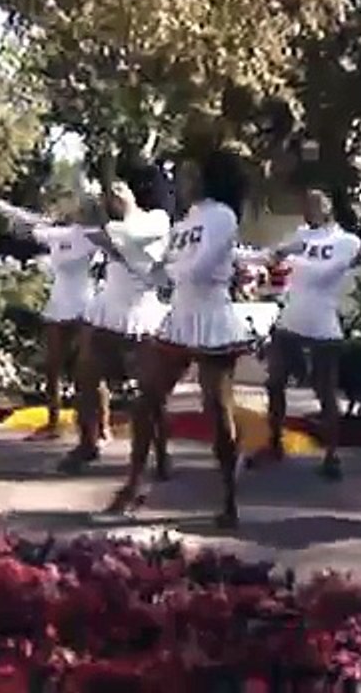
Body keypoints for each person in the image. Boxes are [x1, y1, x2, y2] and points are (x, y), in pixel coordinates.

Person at [106, 149, 254, 529]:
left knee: (216, 409)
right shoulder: (182, 222)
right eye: (180, 176)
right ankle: (134, 483)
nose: (181, 183)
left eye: (189, 175)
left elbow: (199, 268)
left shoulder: (222, 216)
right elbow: (161, 272)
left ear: (207, 179)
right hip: (180, 317)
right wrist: (133, 259)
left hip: (212, 318)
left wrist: (168, 269)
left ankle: (230, 497)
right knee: (147, 398)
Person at [58, 166, 172, 475]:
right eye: (112, 191)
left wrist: (110, 222)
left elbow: (127, 236)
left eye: (122, 188)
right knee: (86, 375)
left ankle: (161, 456)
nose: (115, 194)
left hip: (143, 315)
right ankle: (88, 443)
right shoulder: (112, 225)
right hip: (107, 310)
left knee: (151, 392)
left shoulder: (157, 220)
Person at [252, 186, 361, 479]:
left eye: (318, 202)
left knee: (324, 390)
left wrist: (291, 257)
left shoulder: (347, 241)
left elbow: (324, 274)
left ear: (330, 206)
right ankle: (274, 442)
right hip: (291, 319)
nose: (311, 208)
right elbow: (270, 256)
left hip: (323, 324)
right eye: (307, 202)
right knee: (274, 382)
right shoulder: (299, 236)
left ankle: (332, 455)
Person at [0, 196, 104, 441]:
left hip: (85, 307)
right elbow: (26, 221)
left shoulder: (94, 236)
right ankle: (53, 423)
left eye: (82, 209)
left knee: (89, 370)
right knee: (52, 368)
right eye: (76, 208)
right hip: (58, 306)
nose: (76, 211)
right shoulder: (58, 235)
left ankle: (102, 426)